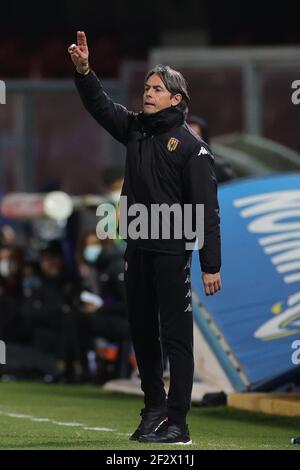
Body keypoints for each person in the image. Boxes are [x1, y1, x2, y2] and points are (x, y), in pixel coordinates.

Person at [69, 31, 222, 445]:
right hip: (136, 248)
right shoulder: (135, 129)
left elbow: (208, 209)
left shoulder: (193, 149)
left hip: (172, 252)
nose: (148, 94)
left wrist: (210, 264)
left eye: (157, 89)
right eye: (147, 88)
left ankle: (179, 422)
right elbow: (101, 107)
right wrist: (85, 72)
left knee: (176, 337)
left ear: (177, 99)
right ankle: (154, 407)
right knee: (141, 332)